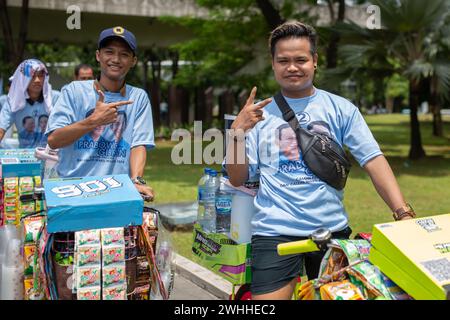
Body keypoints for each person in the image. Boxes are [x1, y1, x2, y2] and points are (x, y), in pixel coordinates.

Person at [225, 21, 415, 300]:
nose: (292, 67)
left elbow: (373, 159)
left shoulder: (341, 108)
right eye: (284, 61)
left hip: (331, 232)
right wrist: (237, 134)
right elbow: (237, 178)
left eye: (301, 59)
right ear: (273, 64)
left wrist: (402, 212)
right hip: (274, 232)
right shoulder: (257, 115)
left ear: (314, 61)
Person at [46, 26, 155, 201]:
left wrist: (136, 180)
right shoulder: (74, 91)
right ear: (98, 56)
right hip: (72, 191)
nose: (116, 59)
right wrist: (93, 121)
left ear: (133, 61)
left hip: (117, 192)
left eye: (124, 54)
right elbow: (54, 139)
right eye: (109, 52)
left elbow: (139, 144)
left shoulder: (138, 97)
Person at [0, 59, 60, 148]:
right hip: (24, 157)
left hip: (52, 156)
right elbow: (1, 129)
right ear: (23, 78)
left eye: (41, 76)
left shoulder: (56, 97)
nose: (37, 80)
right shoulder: (13, 100)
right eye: (32, 76)